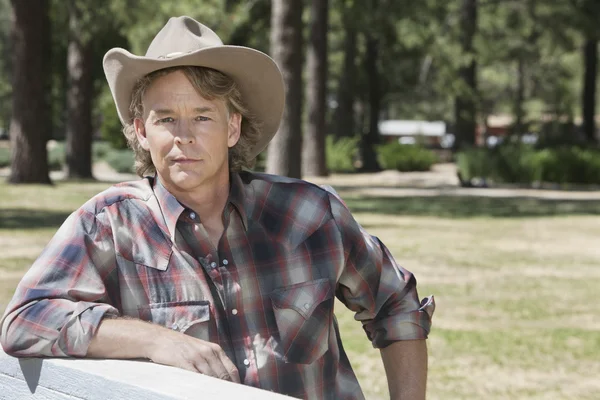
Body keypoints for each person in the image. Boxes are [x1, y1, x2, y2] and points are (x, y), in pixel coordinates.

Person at [0, 16, 434, 400]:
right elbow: (24, 321)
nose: (183, 136)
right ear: (140, 131)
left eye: (203, 116)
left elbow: (395, 305)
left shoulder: (309, 213)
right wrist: (155, 340)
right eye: (165, 118)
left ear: (232, 127)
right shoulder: (108, 224)